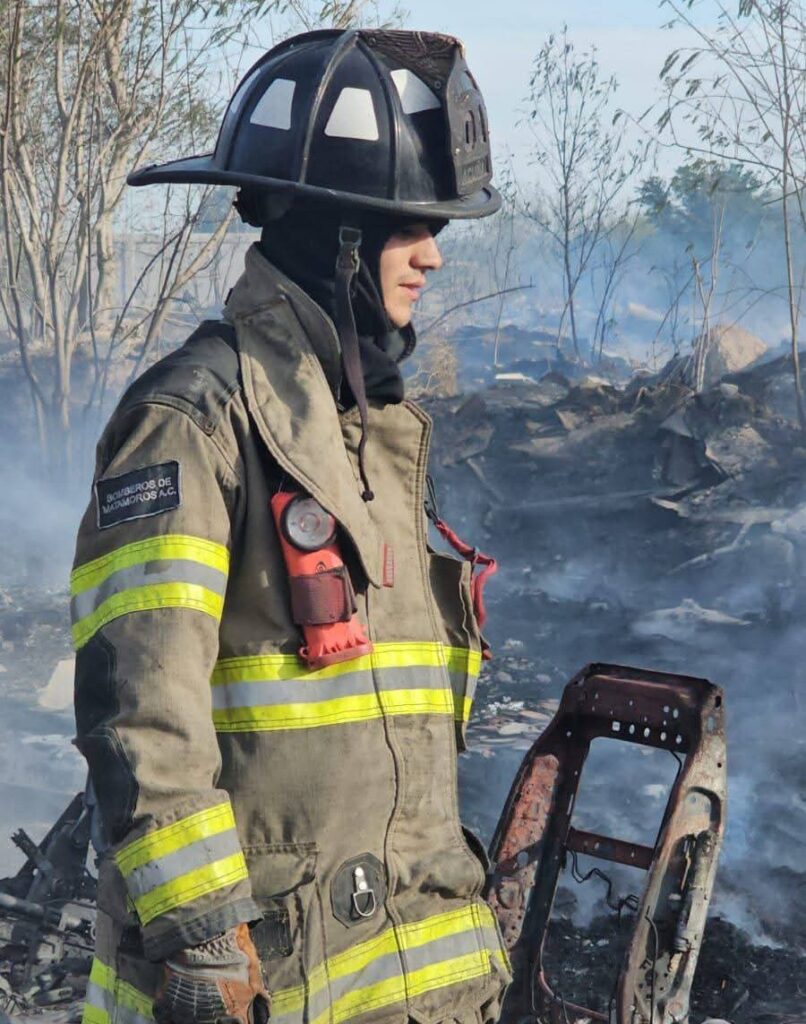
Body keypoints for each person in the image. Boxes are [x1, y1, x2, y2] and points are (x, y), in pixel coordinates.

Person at [72, 28, 510, 1024]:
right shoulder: (194, 420)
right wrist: (204, 936)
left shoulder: (370, 429)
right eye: (409, 225)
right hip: (259, 990)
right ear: (335, 235)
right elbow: (141, 709)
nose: (434, 255)